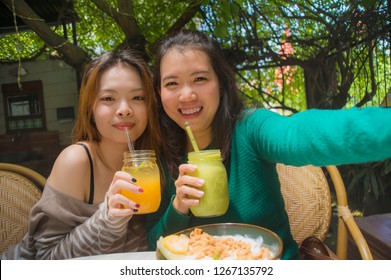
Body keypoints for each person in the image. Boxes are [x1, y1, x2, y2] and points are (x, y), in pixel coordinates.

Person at [145, 29, 391, 260]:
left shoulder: (250, 129)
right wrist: (178, 208)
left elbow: (297, 135)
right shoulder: (161, 156)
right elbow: (154, 247)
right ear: (159, 92)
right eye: (172, 84)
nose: (186, 95)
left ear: (220, 82)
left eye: (199, 78)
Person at [1, 49, 161, 259]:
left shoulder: (152, 162)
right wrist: (108, 219)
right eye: (108, 98)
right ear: (90, 109)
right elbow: (46, 259)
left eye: (137, 97)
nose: (124, 109)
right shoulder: (77, 161)